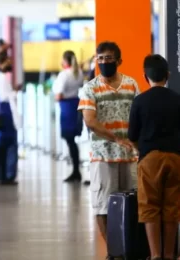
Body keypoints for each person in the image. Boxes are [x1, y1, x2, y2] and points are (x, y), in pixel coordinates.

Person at [77, 41, 139, 254]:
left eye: (108, 59)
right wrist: (115, 138)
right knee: (103, 205)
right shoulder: (90, 88)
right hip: (103, 156)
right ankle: (113, 251)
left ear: (119, 61)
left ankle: (131, 248)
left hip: (130, 156)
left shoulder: (132, 85)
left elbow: (139, 116)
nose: (103, 62)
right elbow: (90, 121)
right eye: (100, 58)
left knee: (134, 202)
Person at [128, 54, 180, 260]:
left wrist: (138, 148)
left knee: (150, 206)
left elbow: (132, 135)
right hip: (176, 158)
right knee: (172, 206)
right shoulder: (177, 99)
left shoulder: (140, 101)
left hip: (149, 158)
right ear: (167, 75)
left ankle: (155, 255)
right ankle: (169, 254)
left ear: (144, 76)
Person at [52, 50, 84, 183]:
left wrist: (59, 96)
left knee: (70, 140)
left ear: (65, 61)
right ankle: (76, 169)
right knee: (72, 140)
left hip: (66, 108)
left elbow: (58, 95)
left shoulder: (64, 75)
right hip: (76, 105)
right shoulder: (79, 73)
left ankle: (76, 170)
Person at [0, 54, 20, 185]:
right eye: (8, 62)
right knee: (10, 145)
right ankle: (8, 175)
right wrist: (15, 91)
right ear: (1, 63)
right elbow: (7, 96)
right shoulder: (2, 78)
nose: (10, 65)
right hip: (6, 112)